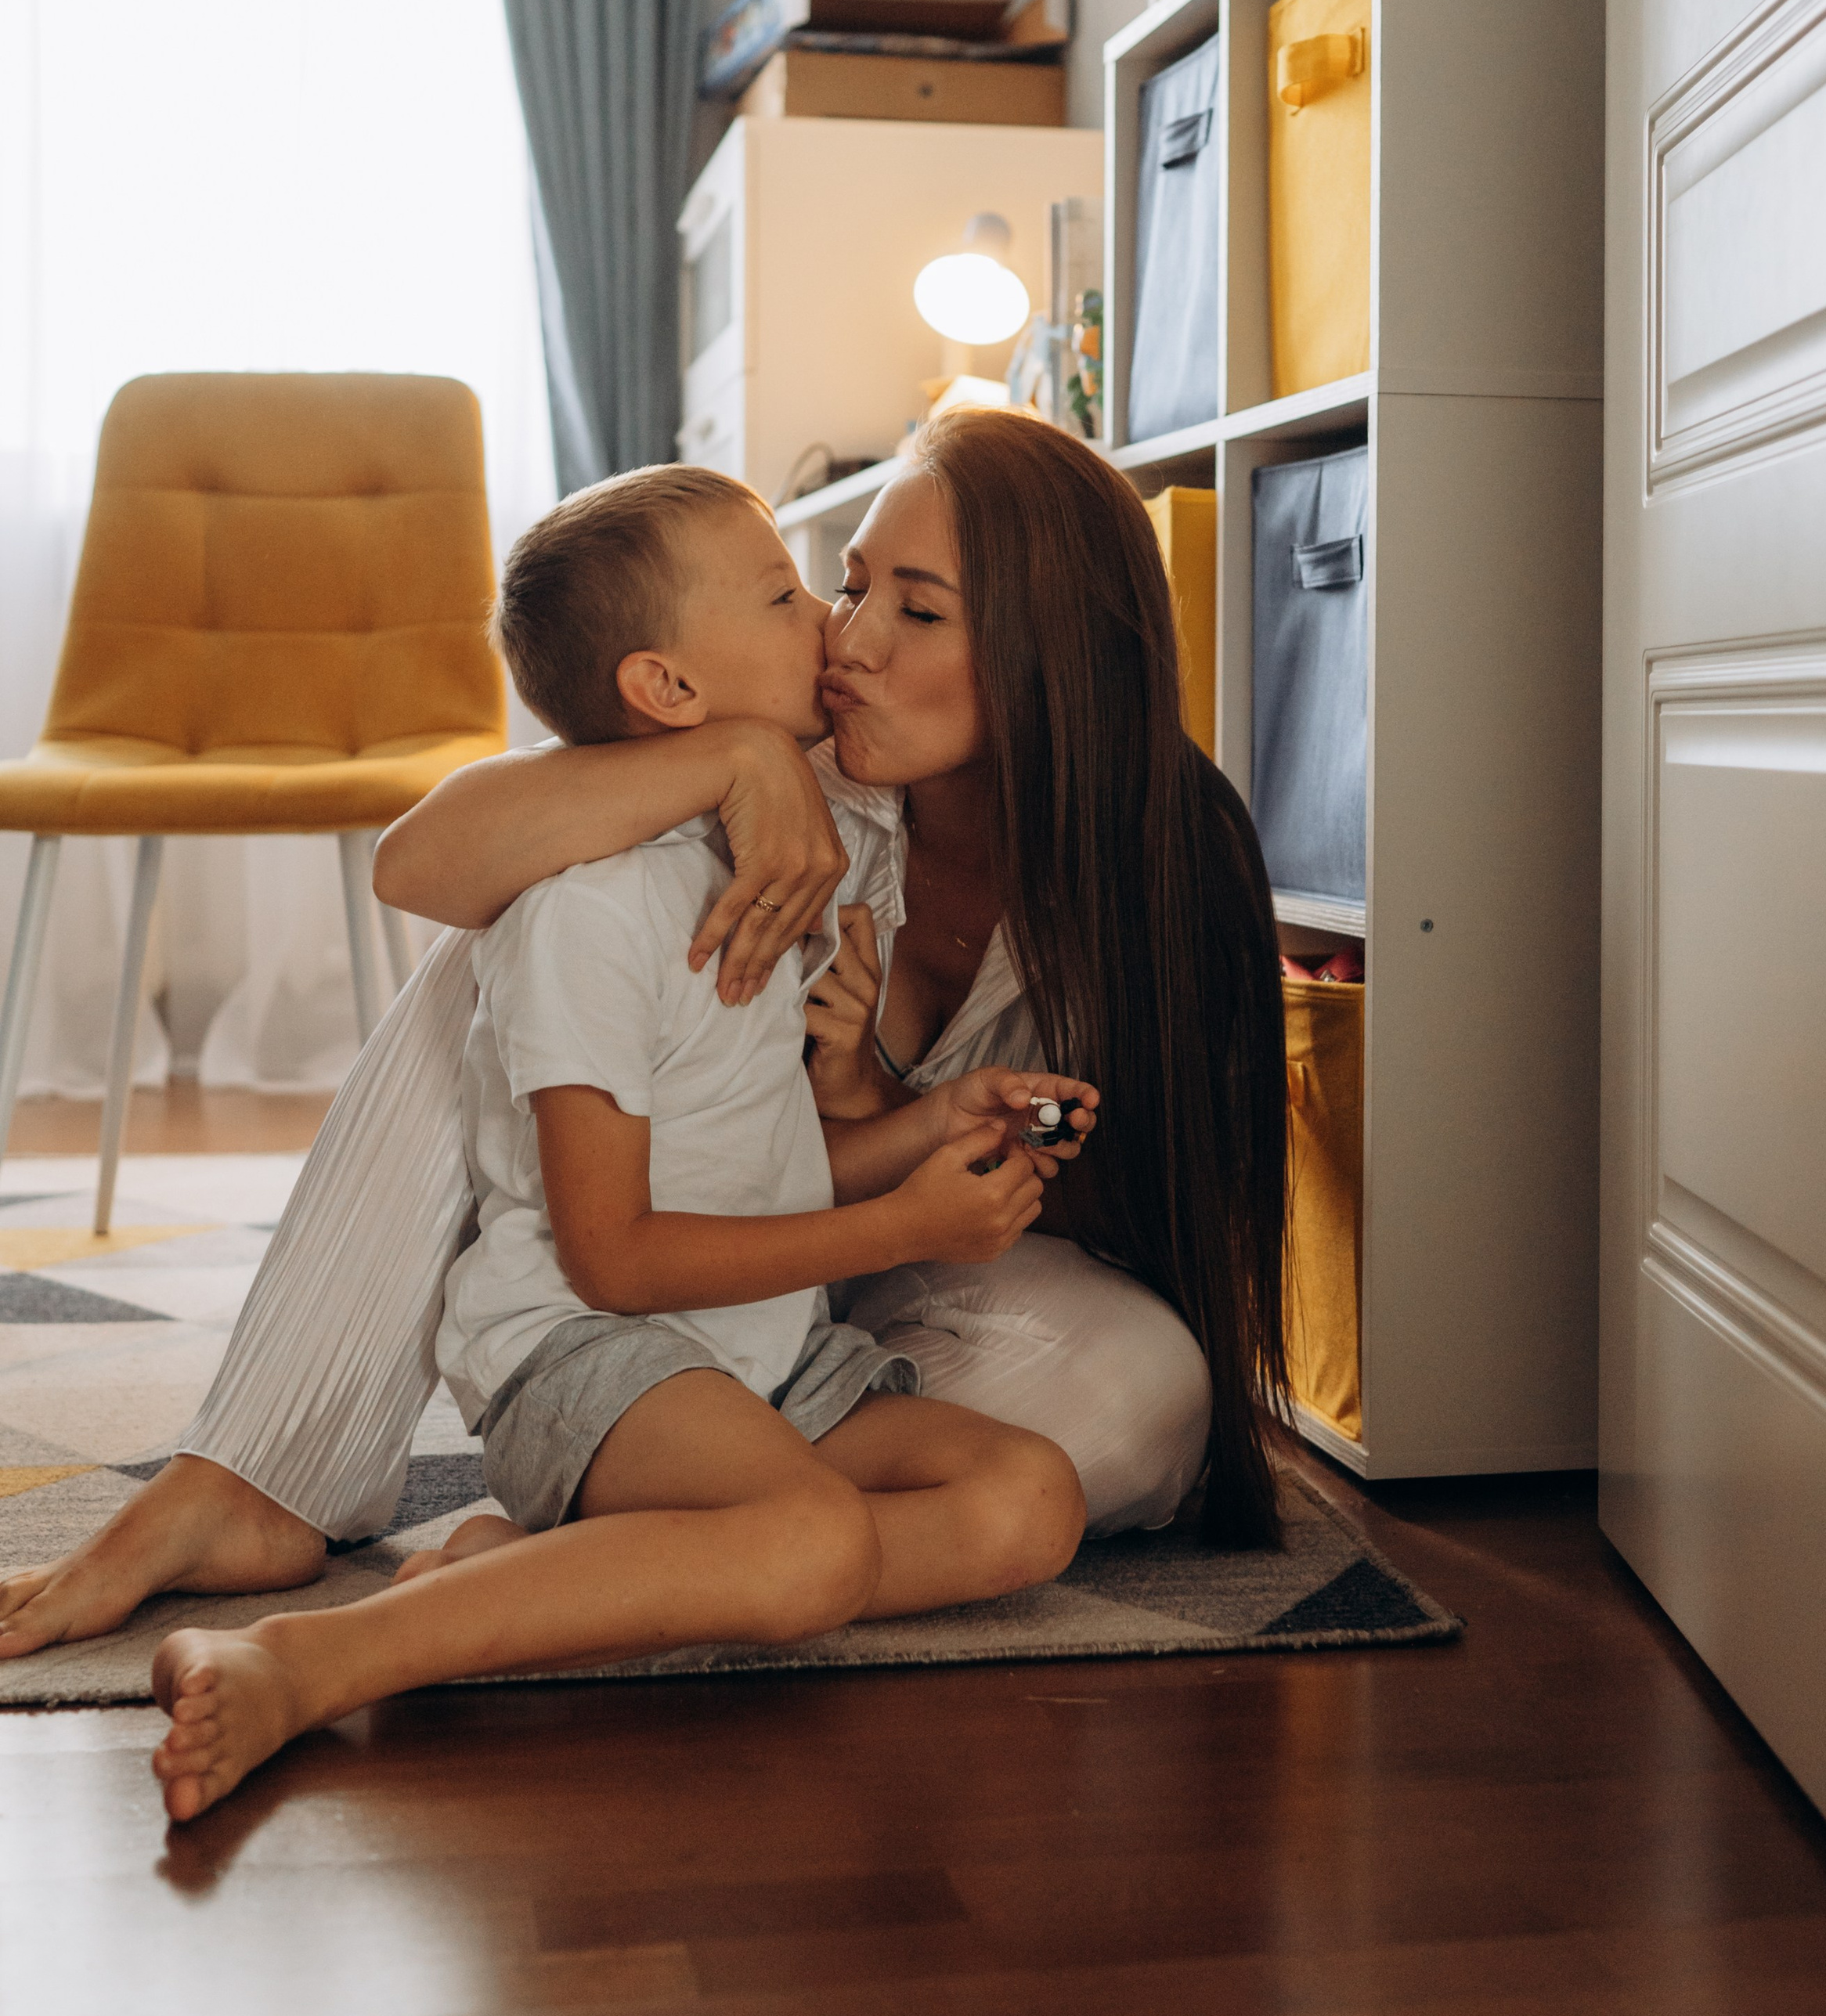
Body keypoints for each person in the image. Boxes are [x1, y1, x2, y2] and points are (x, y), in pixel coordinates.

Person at [0, 408, 1288, 1661]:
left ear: (1056, 651)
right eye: (845, 588)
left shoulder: (1171, 853)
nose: (853, 640)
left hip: (928, 1285)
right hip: (706, 1257)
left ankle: (619, 1556)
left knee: (1140, 1397)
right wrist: (730, 755)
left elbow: (1158, 1201)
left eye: (922, 608)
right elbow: (422, 863)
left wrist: (892, 1105)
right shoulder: (809, 757)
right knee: (499, 936)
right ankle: (256, 1472)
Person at [150, 462, 1092, 1817]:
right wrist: (905, 1229)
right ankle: (312, 1658)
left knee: (1025, 1501)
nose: (835, 630)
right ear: (667, 692)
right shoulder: (586, 908)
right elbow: (612, 1257)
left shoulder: (785, 856)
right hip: (599, 1348)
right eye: (797, 593)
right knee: (813, 1545)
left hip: (763, 1349)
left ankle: (540, 1578)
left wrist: (932, 1123)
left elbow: (766, 1176)